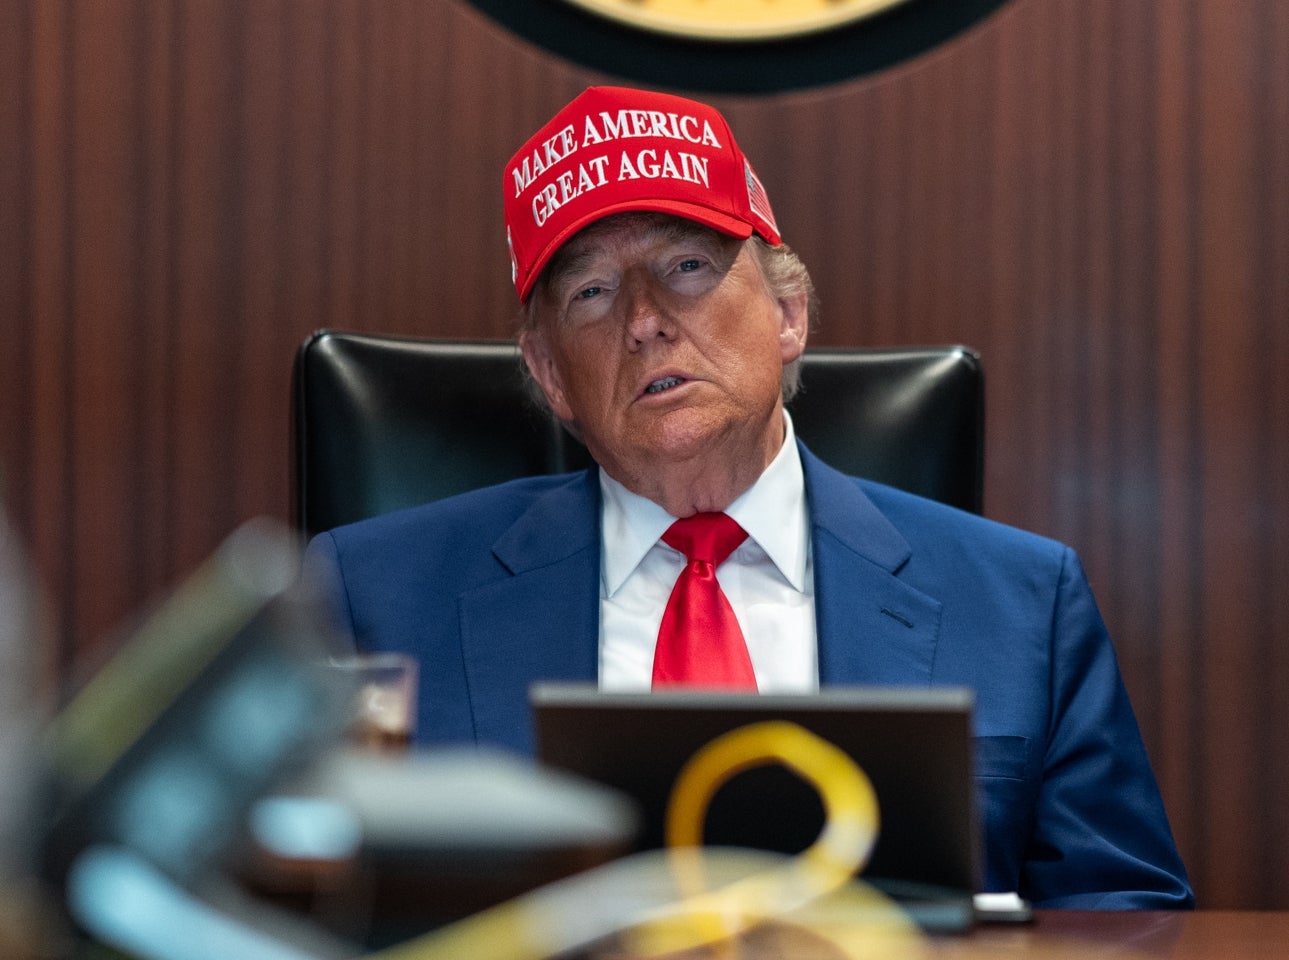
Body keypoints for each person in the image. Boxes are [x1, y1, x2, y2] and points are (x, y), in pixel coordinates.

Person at [305, 86, 1193, 908]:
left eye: (688, 265)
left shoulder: (1023, 603)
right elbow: (294, 911)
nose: (644, 320)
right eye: (592, 291)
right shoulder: (373, 598)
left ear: (787, 314)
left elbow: (1125, 922)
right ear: (549, 375)